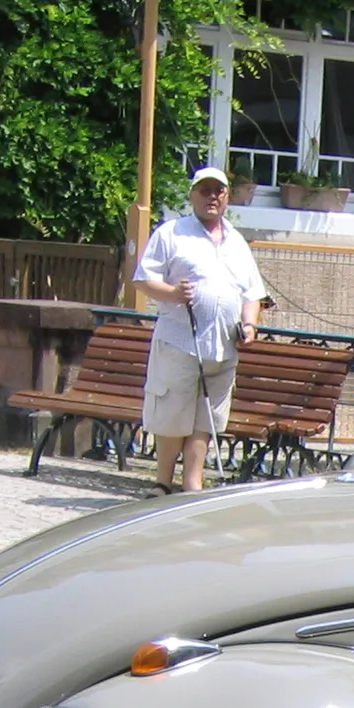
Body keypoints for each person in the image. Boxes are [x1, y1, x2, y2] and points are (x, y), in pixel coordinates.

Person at [133, 166, 268, 493]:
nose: (212, 197)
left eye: (218, 191)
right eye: (205, 190)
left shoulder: (237, 242)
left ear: (227, 197)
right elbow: (143, 279)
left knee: (204, 420)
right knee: (172, 414)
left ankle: (192, 484)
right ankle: (163, 482)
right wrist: (173, 293)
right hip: (179, 342)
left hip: (222, 348)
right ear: (192, 195)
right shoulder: (172, 232)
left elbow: (252, 294)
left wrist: (249, 324)